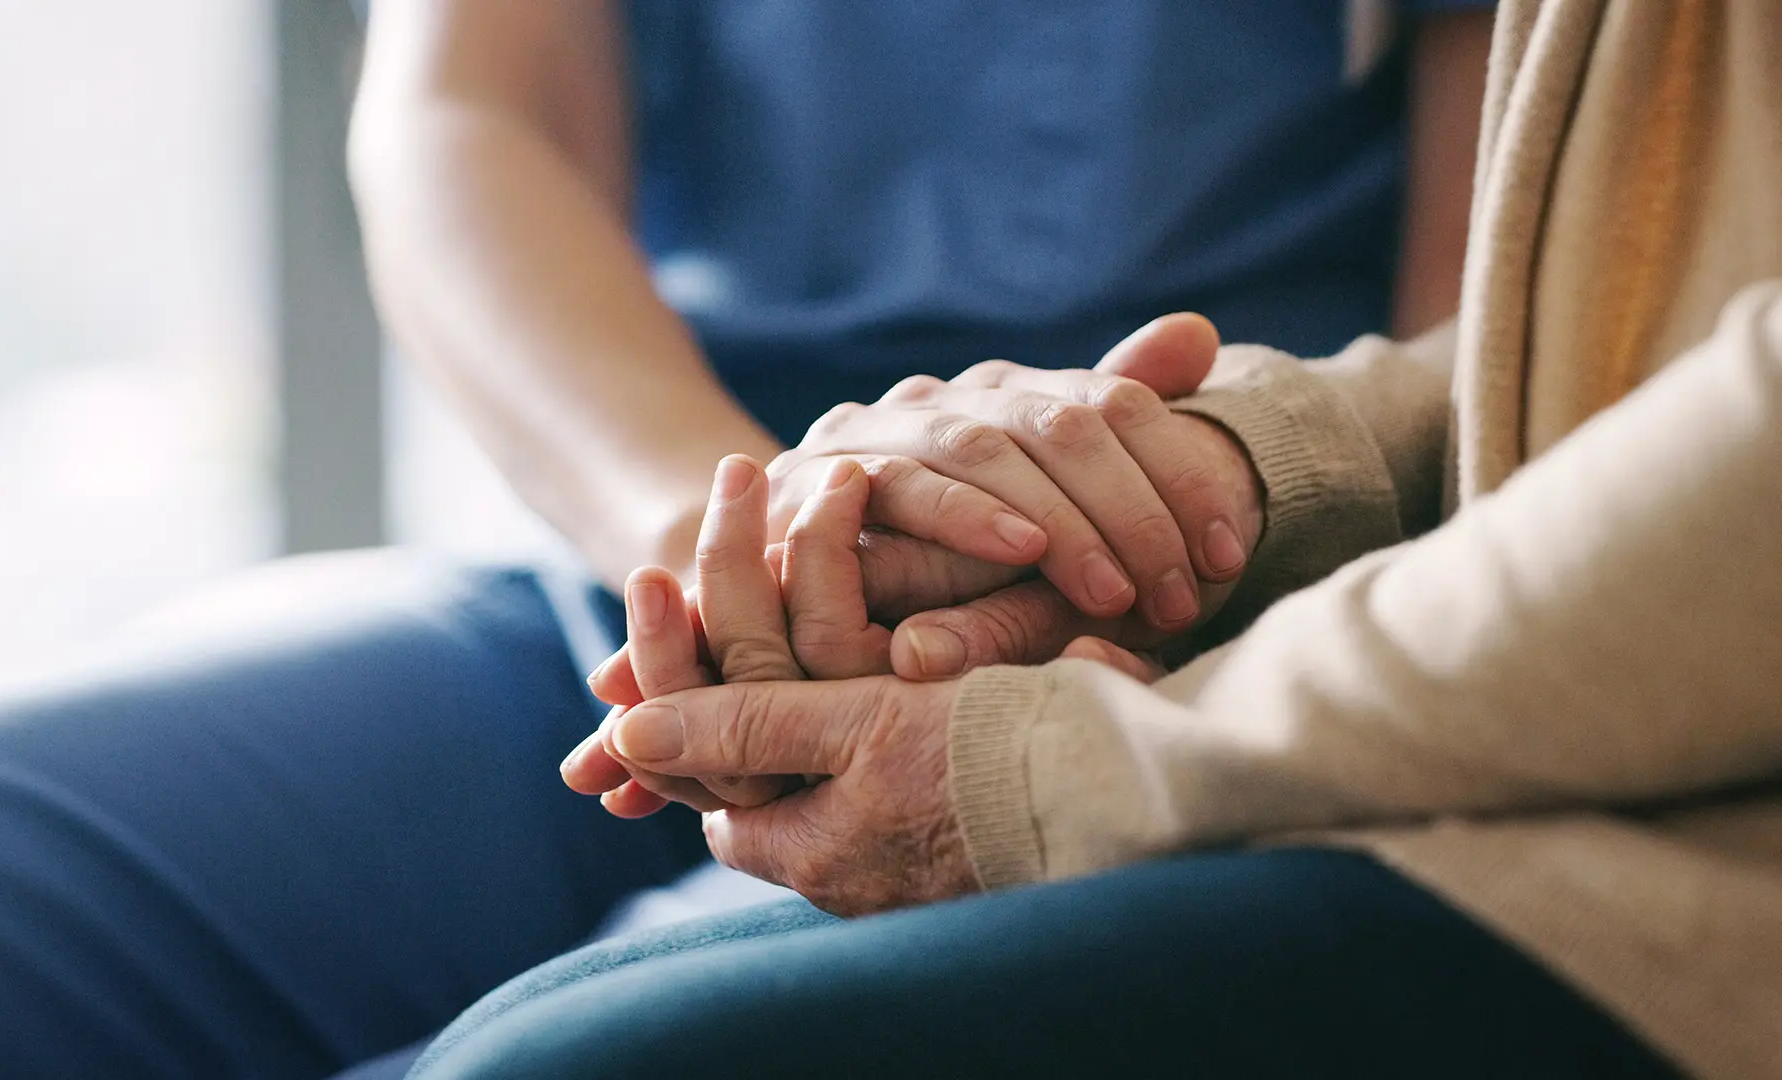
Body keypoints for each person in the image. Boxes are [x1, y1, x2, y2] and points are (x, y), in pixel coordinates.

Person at [0, 4, 1495, 1079]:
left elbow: (1498, 334)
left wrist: (1153, 578)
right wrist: (734, 546)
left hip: (1174, 637)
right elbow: (466, 119)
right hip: (635, 572)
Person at [403, 1, 1782, 1077]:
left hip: (1444, 722)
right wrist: (1239, 462)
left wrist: (1068, 761)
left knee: (556, 1058)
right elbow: (1604, 340)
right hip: (740, 562)